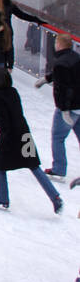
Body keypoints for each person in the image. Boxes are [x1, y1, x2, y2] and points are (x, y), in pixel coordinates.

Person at [0, 66, 63, 214]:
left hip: (9, 137)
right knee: (34, 165)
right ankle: (55, 197)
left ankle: (2, 197)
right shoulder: (13, 92)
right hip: (24, 133)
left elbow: (5, 121)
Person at [45, 34, 80, 178]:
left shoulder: (60, 63)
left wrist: (64, 109)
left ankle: (58, 169)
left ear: (59, 45)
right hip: (79, 106)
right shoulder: (76, 57)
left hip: (69, 108)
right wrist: (47, 78)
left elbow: (64, 88)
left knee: (58, 137)